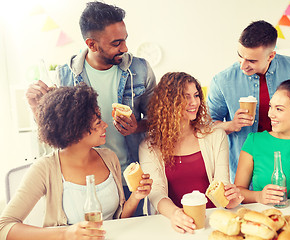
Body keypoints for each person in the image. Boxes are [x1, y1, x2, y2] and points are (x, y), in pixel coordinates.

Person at [25, 1, 156, 216]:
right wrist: (35, 108)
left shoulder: (140, 70)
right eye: (116, 43)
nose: (124, 48)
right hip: (83, 181)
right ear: (92, 44)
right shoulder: (64, 77)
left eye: (125, 39)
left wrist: (136, 126)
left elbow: (159, 121)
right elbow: (53, 132)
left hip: (128, 176)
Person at [0, 85, 153, 240]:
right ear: (75, 129)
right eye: (98, 122)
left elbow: (116, 221)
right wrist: (66, 233)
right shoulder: (44, 169)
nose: (105, 125)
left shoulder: (109, 158)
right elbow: (4, 226)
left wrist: (136, 196)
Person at [139, 72, 243, 234]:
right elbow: (156, 192)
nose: (194, 102)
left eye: (196, 95)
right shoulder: (149, 146)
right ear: (169, 103)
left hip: (211, 221)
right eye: (186, 97)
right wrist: (175, 214)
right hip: (173, 224)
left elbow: (221, 183)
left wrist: (231, 199)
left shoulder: (216, 136)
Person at [207, 20, 290, 182]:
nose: (243, 66)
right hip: (245, 171)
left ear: (271, 55)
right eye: (240, 56)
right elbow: (206, 127)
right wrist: (231, 125)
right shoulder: (222, 81)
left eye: (251, 61)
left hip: (289, 161)